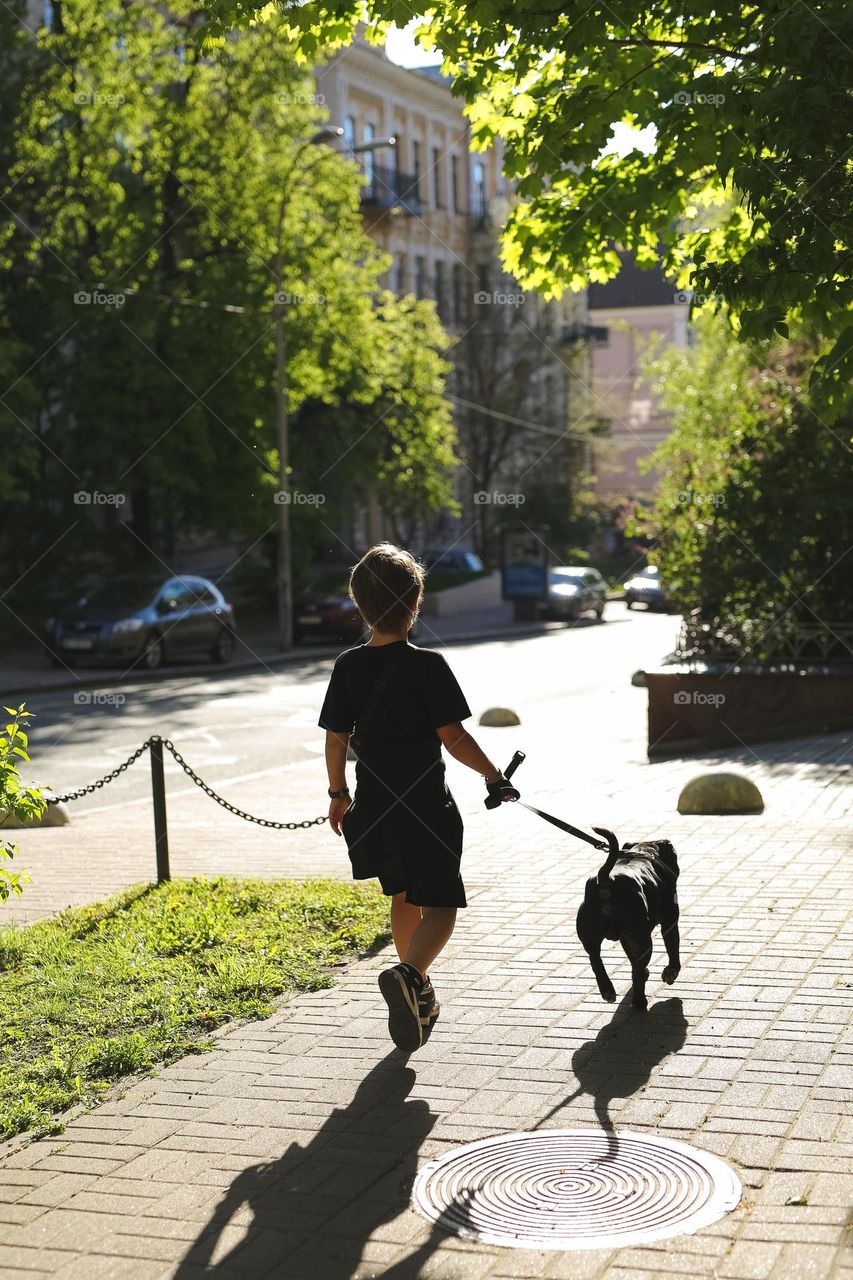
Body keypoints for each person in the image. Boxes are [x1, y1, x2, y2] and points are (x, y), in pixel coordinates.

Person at [319, 543, 519, 1053]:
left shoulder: (347, 666)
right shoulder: (428, 666)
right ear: (416, 603)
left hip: (377, 807)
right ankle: (410, 976)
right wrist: (494, 776)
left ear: (360, 607)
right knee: (443, 904)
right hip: (428, 808)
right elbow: (453, 739)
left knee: (403, 895)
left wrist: (338, 793)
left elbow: (335, 739)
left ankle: (417, 992)